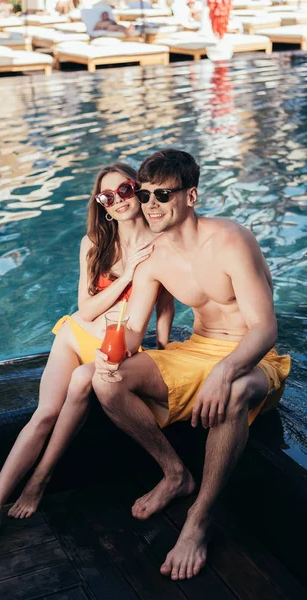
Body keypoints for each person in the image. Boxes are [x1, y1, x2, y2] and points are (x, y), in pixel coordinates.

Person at [92, 148, 291, 580]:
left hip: (254, 356)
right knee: (107, 382)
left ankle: (199, 520)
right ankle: (174, 472)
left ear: (191, 196)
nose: (151, 206)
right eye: (144, 196)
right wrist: (103, 350)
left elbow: (265, 329)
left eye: (163, 195)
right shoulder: (154, 255)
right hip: (197, 349)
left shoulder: (231, 239)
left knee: (234, 391)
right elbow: (132, 332)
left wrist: (225, 371)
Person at [0, 162, 174, 563]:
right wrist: (127, 271)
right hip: (75, 334)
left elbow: (163, 304)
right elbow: (83, 309)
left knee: (82, 382)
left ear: (138, 189)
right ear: (101, 204)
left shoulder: (160, 246)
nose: (117, 201)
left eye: (126, 189)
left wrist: (165, 347)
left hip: (112, 347)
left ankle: (40, 480)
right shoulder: (94, 243)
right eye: (106, 197)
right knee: (44, 414)